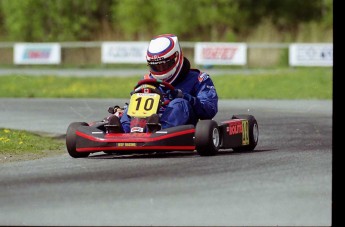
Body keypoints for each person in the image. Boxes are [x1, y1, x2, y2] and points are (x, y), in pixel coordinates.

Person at [112, 34, 218, 133]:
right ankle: (123, 131)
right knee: (133, 103)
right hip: (148, 120)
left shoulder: (198, 79)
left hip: (182, 124)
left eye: (164, 65)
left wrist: (186, 97)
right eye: (156, 66)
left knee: (179, 103)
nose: (161, 69)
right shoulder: (147, 79)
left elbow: (209, 110)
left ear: (176, 57)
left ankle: (159, 130)